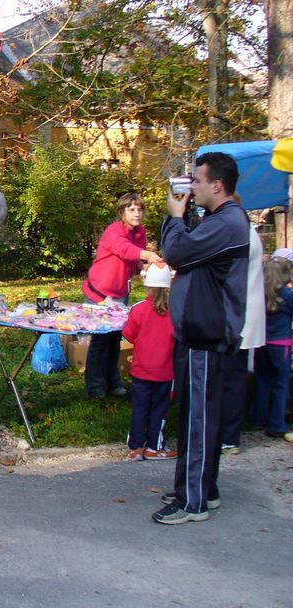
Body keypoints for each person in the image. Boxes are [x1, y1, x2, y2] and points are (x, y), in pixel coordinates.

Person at [154, 152, 249, 525]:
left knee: (198, 421)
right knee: (201, 416)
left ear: (217, 185)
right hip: (201, 333)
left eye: (196, 180)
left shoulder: (228, 222)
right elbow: (187, 252)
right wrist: (181, 217)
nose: (191, 186)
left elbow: (177, 252)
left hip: (205, 336)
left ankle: (191, 501)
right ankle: (203, 489)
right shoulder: (219, 220)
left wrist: (175, 216)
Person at [82, 193, 163, 399]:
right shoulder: (113, 231)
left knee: (115, 339)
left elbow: (135, 259)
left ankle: (112, 382)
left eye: (140, 209)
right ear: (122, 212)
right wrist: (147, 255)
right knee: (100, 342)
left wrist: (147, 268)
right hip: (99, 294)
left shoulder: (140, 232)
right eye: (132, 209)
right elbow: (125, 250)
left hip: (120, 295)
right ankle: (95, 388)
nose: (137, 213)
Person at [122, 263, 176, 461]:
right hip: (165, 371)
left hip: (141, 370)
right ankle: (155, 447)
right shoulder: (176, 312)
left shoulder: (138, 310)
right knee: (159, 410)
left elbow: (128, 335)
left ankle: (135, 447)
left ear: (146, 285)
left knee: (140, 408)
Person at [221, 216, 265, 455]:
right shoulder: (249, 232)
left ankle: (228, 435)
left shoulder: (237, 233)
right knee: (234, 377)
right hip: (245, 313)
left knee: (230, 378)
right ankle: (230, 434)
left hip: (237, 315)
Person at [248, 255, 293, 438]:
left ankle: (258, 418)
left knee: (262, 380)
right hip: (280, 343)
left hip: (262, 341)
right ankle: (276, 424)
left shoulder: (260, 293)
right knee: (281, 384)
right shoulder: (287, 295)